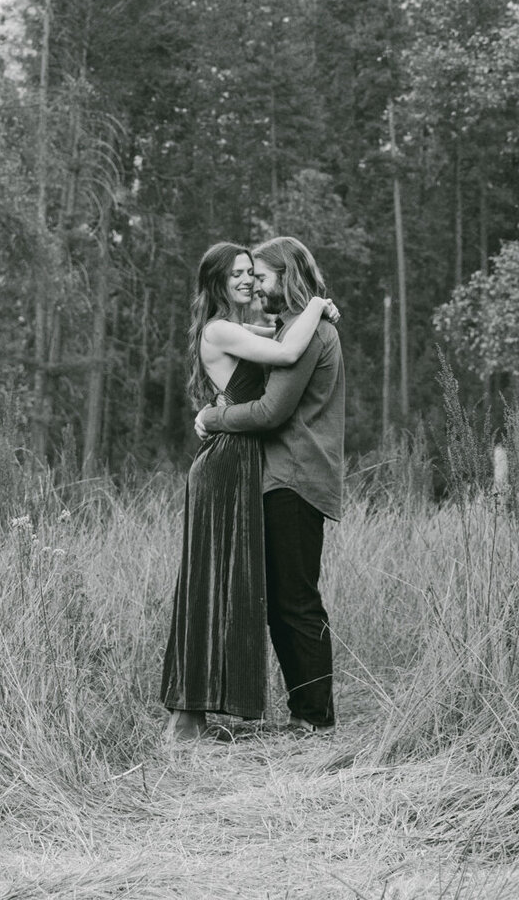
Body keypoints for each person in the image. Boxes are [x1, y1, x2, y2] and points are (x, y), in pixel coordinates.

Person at [160, 241, 338, 742]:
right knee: (210, 585)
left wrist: (316, 308)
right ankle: (187, 714)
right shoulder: (220, 330)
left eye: (253, 273)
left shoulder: (241, 329)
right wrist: (321, 304)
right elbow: (284, 349)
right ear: (216, 281)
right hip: (225, 467)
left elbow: (282, 333)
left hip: (245, 467)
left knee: (234, 590)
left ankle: (213, 707)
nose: (248, 282)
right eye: (238, 273)